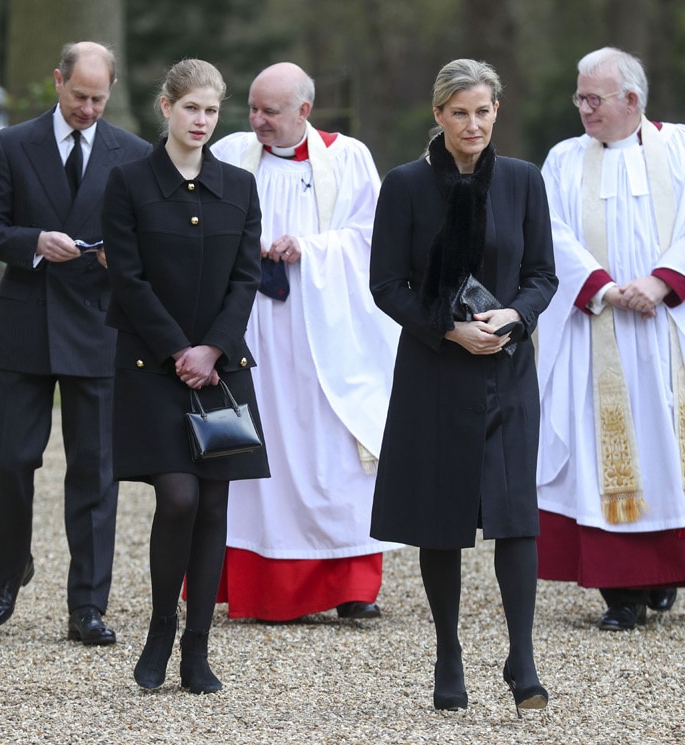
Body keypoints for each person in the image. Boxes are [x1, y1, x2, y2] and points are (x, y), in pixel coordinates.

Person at [369, 59, 557, 715]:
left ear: (495, 111)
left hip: (507, 371)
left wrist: (516, 314)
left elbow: (541, 273)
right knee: (440, 517)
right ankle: (447, 654)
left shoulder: (523, 182)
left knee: (516, 515)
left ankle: (522, 657)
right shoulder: (404, 186)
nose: (471, 124)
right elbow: (386, 284)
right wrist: (447, 331)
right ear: (438, 115)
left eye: (481, 111)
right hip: (433, 371)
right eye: (458, 112)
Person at [0, 42, 152, 644]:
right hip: (27, 322)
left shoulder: (134, 153)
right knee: (9, 459)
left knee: (96, 471)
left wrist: (114, 258)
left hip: (99, 326)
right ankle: (9, 570)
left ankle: (87, 607)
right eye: (80, 96)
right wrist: (34, 241)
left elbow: (145, 242)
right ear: (58, 82)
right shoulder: (13, 145)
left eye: (100, 99)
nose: (89, 108)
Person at [209, 62, 401, 622]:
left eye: (271, 111)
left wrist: (311, 248)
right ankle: (260, 584)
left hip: (326, 331)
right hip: (251, 330)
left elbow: (374, 236)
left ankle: (351, 585)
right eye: (253, 108)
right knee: (256, 449)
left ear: (304, 112)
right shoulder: (230, 154)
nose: (258, 121)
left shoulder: (348, 157)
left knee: (333, 452)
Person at [102, 58, 269, 692]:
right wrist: (180, 349)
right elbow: (129, 278)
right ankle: (159, 631)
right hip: (154, 367)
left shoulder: (239, 186)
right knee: (178, 497)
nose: (201, 120)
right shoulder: (128, 182)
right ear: (166, 107)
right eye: (190, 107)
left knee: (215, 503)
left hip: (221, 369)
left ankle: (198, 650)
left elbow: (246, 279)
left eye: (210, 110)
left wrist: (214, 348)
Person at [536, 47, 685, 631]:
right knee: (607, 455)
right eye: (579, 97)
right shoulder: (564, 160)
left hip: (668, 328)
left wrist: (660, 282)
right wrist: (601, 287)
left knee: (668, 449)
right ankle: (621, 592)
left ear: (632, 100)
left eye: (593, 98)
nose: (583, 109)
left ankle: (666, 572)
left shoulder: (679, 149)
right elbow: (547, 230)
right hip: (597, 331)